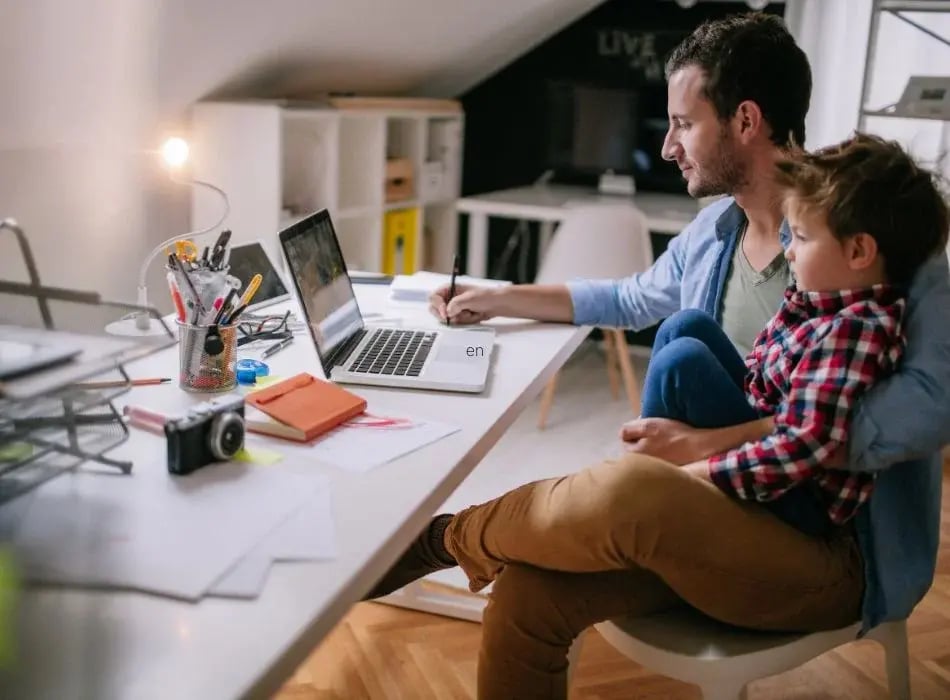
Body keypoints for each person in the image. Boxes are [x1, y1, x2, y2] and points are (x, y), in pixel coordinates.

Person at [363, 13, 950, 699]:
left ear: (746, 121)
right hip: (726, 504)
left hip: (831, 546)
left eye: (683, 123)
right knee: (528, 592)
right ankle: (517, 528)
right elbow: (631, 295)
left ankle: (445, 539)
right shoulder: (717, 231)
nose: (668, 145)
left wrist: (706, 447)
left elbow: (927, 410)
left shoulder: (874, 241)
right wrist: (500, 298)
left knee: (629, 486)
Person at [639, 132, 947, 541]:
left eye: (801, 237)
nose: (788, 251)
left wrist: (692, 472)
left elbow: (799, 445)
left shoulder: (854, 328)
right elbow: (760, 377)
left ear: (858, 253)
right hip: (775, 453)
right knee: (684, 326)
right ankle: (646, 484)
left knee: (683, 362)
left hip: (800, 497)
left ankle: (646, 495)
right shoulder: (816, 304)